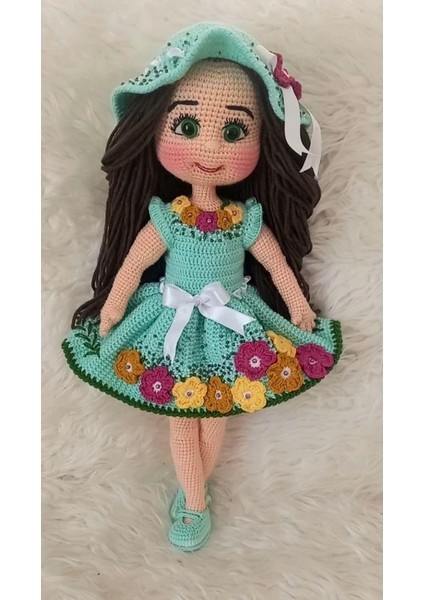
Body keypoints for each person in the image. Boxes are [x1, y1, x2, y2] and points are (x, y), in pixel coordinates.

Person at [62, 22, 342, 552]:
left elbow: (277, 265)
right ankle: (194, 499)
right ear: (154, 129)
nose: (209, 147)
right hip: (168, 320)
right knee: (182, 412)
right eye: (187, 126)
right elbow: (131, 266)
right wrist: (114, 306)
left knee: (215, 411)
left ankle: (194, 497)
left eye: (234, 132)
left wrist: (298, 306)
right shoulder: (167, 218)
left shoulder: (244, 219)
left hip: (232, 322)